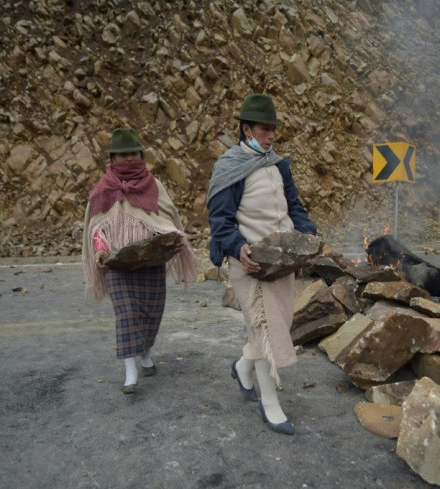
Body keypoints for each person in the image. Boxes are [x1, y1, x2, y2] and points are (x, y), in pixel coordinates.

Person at [206, 94, 317, 435]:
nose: (271, 136)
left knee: (276, 322)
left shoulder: (279, 164)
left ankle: (242, 367)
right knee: (267, 329)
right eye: (264, 130)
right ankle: (270, 405)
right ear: (246, 129)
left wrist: (309, 237)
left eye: (273, 130)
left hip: (282, 260)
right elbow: (220, 219)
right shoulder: (229, 166)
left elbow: (293, 207)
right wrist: (238, 248)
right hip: (251, 263)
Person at [82, 128, 199, 394]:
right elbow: (97, 227)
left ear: (141, 155)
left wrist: (168, 238)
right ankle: (130, 371)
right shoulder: (102, 191)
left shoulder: (154, 186)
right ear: (112, 159)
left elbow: (167, 217)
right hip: (118, 264)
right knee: (126, 314)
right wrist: (101, 251)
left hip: (150, 261)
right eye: (122, 155)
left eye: (132, 153)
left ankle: (146, 351)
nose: (128, 159)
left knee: (151, 311)